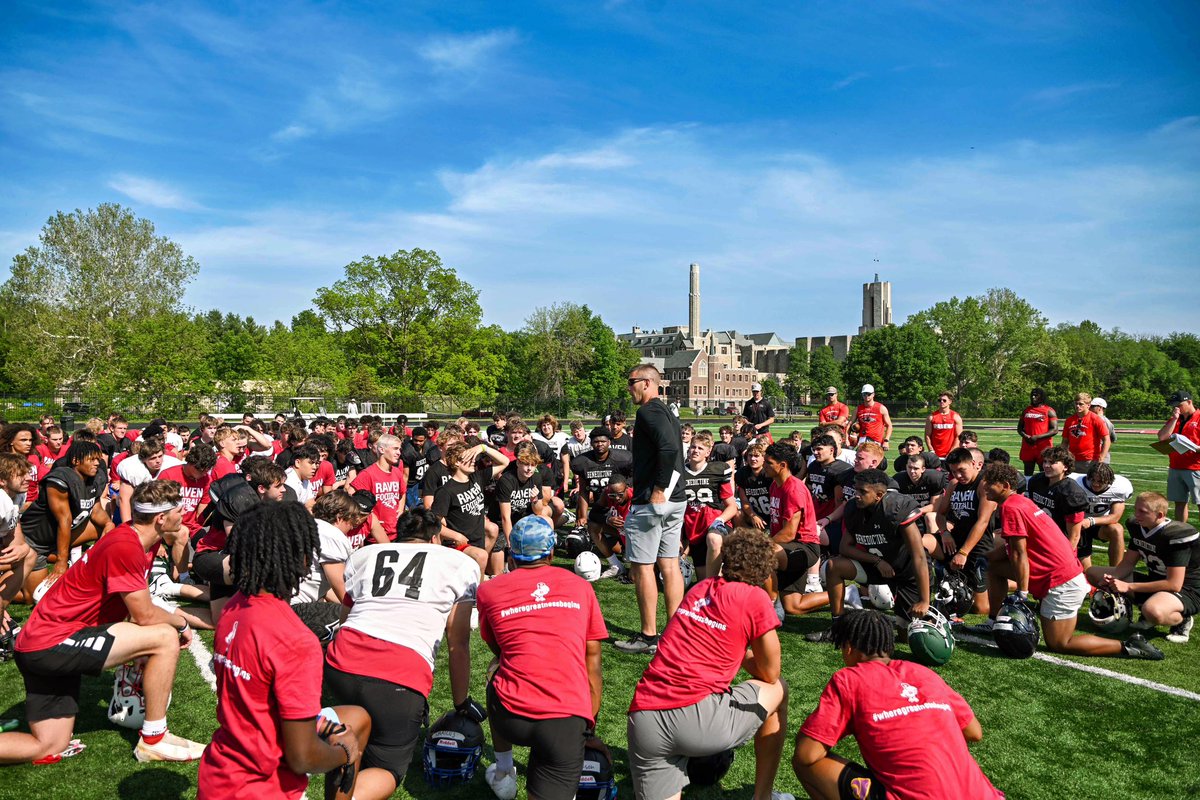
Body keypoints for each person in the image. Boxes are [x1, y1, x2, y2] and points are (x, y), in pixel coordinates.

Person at [2, 480, 206, 764]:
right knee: (164, 636)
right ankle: (155, 738)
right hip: (51, 642)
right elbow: (145, 615)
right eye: (179, 510)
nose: (184, 516)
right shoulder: (127, 545)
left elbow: (128, 610)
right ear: (161, 519)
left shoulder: (136, 538)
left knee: (47, 745)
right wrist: (181, 624)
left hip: (37, 644)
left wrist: (137, 647)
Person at [199, 501, 368, 800]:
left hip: (218, 774)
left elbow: (260, 696)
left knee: (356, 716)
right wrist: (345, 753)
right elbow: (302, 757)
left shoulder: (234, 607)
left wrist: (322, 724)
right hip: (262, 788)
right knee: (350, 735)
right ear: (303, 558)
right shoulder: (295, 640)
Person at [323, 508, 480, 798]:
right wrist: (461, 703)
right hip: (399, 675)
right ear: (435, 538)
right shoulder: (459, 563)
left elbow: (347, 616)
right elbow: (458, 643)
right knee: (389, 769)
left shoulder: (365, 556)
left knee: (349, 746)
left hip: (341, 662)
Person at [626, 528, 792, 800]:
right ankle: (763, 796)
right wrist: (739, 651)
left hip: (644, 719)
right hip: (697, 720)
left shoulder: (700, 588)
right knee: (779, 689)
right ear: (765, 572)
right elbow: (771, 672)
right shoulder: (754, 597)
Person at [792, 610, 1003, 800]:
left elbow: (807, 754)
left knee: (803, 763)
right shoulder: (925, 674)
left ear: (848, 648)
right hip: (982, 795)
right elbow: (974, 732)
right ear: (888, 648)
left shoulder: (850, 680)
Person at [477, 516, 608, 800]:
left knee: (495, 670)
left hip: (511, 715)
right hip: (566, 717)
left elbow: (497, 646)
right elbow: (592, 659)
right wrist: (589, 723)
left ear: (512, 556)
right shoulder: (581, 587)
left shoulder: (488, 590)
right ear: (550, 553)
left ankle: (503, 772)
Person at [977, 463, 1162, 660]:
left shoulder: (1012, 508)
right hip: (1054, 572)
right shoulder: (1019, 502)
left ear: (1005, 485)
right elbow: (1012, 550)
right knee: (994, 567)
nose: (984, 486)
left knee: (1060, 643)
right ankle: (993, 621)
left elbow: (1019, 554)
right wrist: (983, 558)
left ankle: (1128, 646)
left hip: (1060, 580)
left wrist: (1022, 593)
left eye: (990, 483)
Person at [806, 470, 930, 643]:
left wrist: (924, 600)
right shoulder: (853, 508)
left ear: (879, 495)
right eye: (856, 490)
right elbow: (844, 548)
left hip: (906, 573)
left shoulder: (896, 508)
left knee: (910, 637)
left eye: (862, 492)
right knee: (834, 566)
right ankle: (838, 627)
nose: (856, 495)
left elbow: (919, 556)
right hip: (876, 565)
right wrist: (877, 561)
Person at [616, 364, 687, 655]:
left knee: (643, 567)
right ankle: (677, 633)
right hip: (675, 499)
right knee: (669, 564)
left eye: (631, 381)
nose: (629, 387)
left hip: (654, 501)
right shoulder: (667, 410)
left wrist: (657, 489)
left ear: (646, 383)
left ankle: (648, 636)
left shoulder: (648, 411)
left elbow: (669, 448)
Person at [1086, 491, 1199, 644]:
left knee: (1153, 611)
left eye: (1142, 512)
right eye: (1136, 509)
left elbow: (1174, 584)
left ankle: (1182, 619)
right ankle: (1146, 606)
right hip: (1155, 579)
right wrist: (1114, 578)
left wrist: (1128, 587)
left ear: (1159, 515)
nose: (1136, 514)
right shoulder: (1138, 526)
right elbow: (1128, 563)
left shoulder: (1175, 535)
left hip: (1185, 589)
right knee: (1093, 573)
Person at [20, 440, 112, 595]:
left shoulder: (96, 478)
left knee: (105, 528)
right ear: (76, 461)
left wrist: (109, 523)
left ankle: (94, 569)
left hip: (57, 536)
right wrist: (61, 562)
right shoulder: (60, 479)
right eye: (92, 459)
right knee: (32, 596)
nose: (97, 463)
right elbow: (64, 520)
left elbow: (95, 510)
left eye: (98, 459)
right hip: (34, 541)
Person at [765, 443, 827, 615]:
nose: (764, 466)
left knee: (760, 554)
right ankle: (846, 594)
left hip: (804, 547)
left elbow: (789, 533)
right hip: (787, 547)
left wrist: (761, 542)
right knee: (794, 606)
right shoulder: (774, 485)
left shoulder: (794, 489)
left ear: (782, 465)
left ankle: (771, 606)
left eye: (769, 463)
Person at [431, 441, 510, 573]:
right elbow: (432, 523)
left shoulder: (477, 477)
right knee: (481, 557)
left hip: (478, 541)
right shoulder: (446, 491)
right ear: (456, 462)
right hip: (457, 544)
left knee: (488, 538)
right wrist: (455, 535)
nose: (474, 461)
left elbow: (505, 462)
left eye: (474, 458)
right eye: (469, 458)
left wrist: (483, 448)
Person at [681, 432, 738, 579]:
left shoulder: (718, 470)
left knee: (714, 538)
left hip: (714, 522)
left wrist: (719, 521)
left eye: (700, 448)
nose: (696, 450)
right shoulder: (680, 473)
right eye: (693, 447)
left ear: (708, 452)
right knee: (702, 578)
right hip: (692, 526)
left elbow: (732, 506)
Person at [1026, 446, 1091, 565]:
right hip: (1040, 536)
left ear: (1065, 466)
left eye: (1052, 462)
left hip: (1061, 542)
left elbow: (1074, 536)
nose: (1046, 465)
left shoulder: (1072, 493)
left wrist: (1066, 558)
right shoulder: (1036, 481)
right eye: (1045, 461)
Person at [0, 453, 35, 655]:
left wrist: (21, 547)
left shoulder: (17, 495)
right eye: (20, 475)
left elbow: (14, 528)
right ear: (2, 480)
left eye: (27, 473)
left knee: (28, 553)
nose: (28, 478)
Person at [1074, 462, 1131, 568]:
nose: (1095, 484)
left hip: (1099, 523)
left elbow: (1115, 516)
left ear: (1109, 481)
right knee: (1087, 572)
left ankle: (1116, 572)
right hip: (1077, 525)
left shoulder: (1120, 487)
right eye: (1092, 480)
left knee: (1117, 529)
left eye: (1100, 481)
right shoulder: (1076, 482)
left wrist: (1090, 521)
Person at [350, 434, 405, 541]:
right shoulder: (368, 474)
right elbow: (350, 496)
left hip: (396, 533)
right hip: (374, 537)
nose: (399, 453)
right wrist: (367, 518)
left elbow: (402, 493)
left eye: (399, 449)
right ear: (381, 449)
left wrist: (400, 509)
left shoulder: (397, 472)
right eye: (395, 449)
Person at [1158, 390, 1200, 524]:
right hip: (1175, 466)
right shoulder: (1175, 418)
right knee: (1179, 503)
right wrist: (1175, 418)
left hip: (1196, 467)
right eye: (1174, 405)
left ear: (1189, 402)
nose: (1176, 408)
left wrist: (1195, 448)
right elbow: (1162, 437)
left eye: (1179, 404)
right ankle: (1181, 530)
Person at [1061, 392, 1110, 475]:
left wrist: (1101, 458)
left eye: (1081, 404)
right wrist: (1062, 457)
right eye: (1076, 404)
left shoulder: (1096, 419)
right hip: (1072, 459)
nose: (1077, 406)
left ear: (1088, 405)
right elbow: (1065, 441)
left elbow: (1106, 440)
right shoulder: (1069, 420)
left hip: (1090, 460)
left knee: (1088, 485)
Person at [1017, 387, 1058, 477]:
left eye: (1036, 395)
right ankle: (1028, 490)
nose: (1033, 397)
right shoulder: (1026, 410)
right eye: (1032, 395)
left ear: (1042, 397)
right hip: (1028, 446)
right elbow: (1019, 428)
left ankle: (1043, 490)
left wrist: (1037, 437)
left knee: (1044, 473)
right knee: (1027, 473)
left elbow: (1054, 430)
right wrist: (1025, 436)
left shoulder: (1049, 411)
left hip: (1043, 447)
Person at [401, 427, 440, 510]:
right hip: (412, 482)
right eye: (415, 440)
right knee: (415, 509)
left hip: (425, 479)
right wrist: (402, 491)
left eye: (421, 441)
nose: (418, 443)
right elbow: (405, 474)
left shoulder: (430, 446)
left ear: (425, 439)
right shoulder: (408, 451)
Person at [924, 392, 963, 459]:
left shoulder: (955, 417)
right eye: (940, 400)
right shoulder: (931, 417)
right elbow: (927, 435)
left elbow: (958, 437)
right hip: (935, 454)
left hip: (951, 454)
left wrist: (951, 452)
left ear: (950, 402)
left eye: (944, 400)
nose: (942, 402)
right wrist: (931, 450)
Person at [853, 385, 892, 450]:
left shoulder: (881, 408)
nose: (866, 396)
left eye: (869, 394)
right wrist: (847, 438)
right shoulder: (858, 409)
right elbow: (850, 424)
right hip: (862, 439)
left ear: (873, 394)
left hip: (876, 441)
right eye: (864, 394)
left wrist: (886, 441)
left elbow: (889, 425)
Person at [1089, 398, 1117, 463]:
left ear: (1100, 408)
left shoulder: (1101, 421)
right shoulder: (1108, 422)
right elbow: (1114, 438)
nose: (1089, 408)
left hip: (1099, 457)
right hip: (1102, 457)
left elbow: (1111, 439)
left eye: (1092, 406)